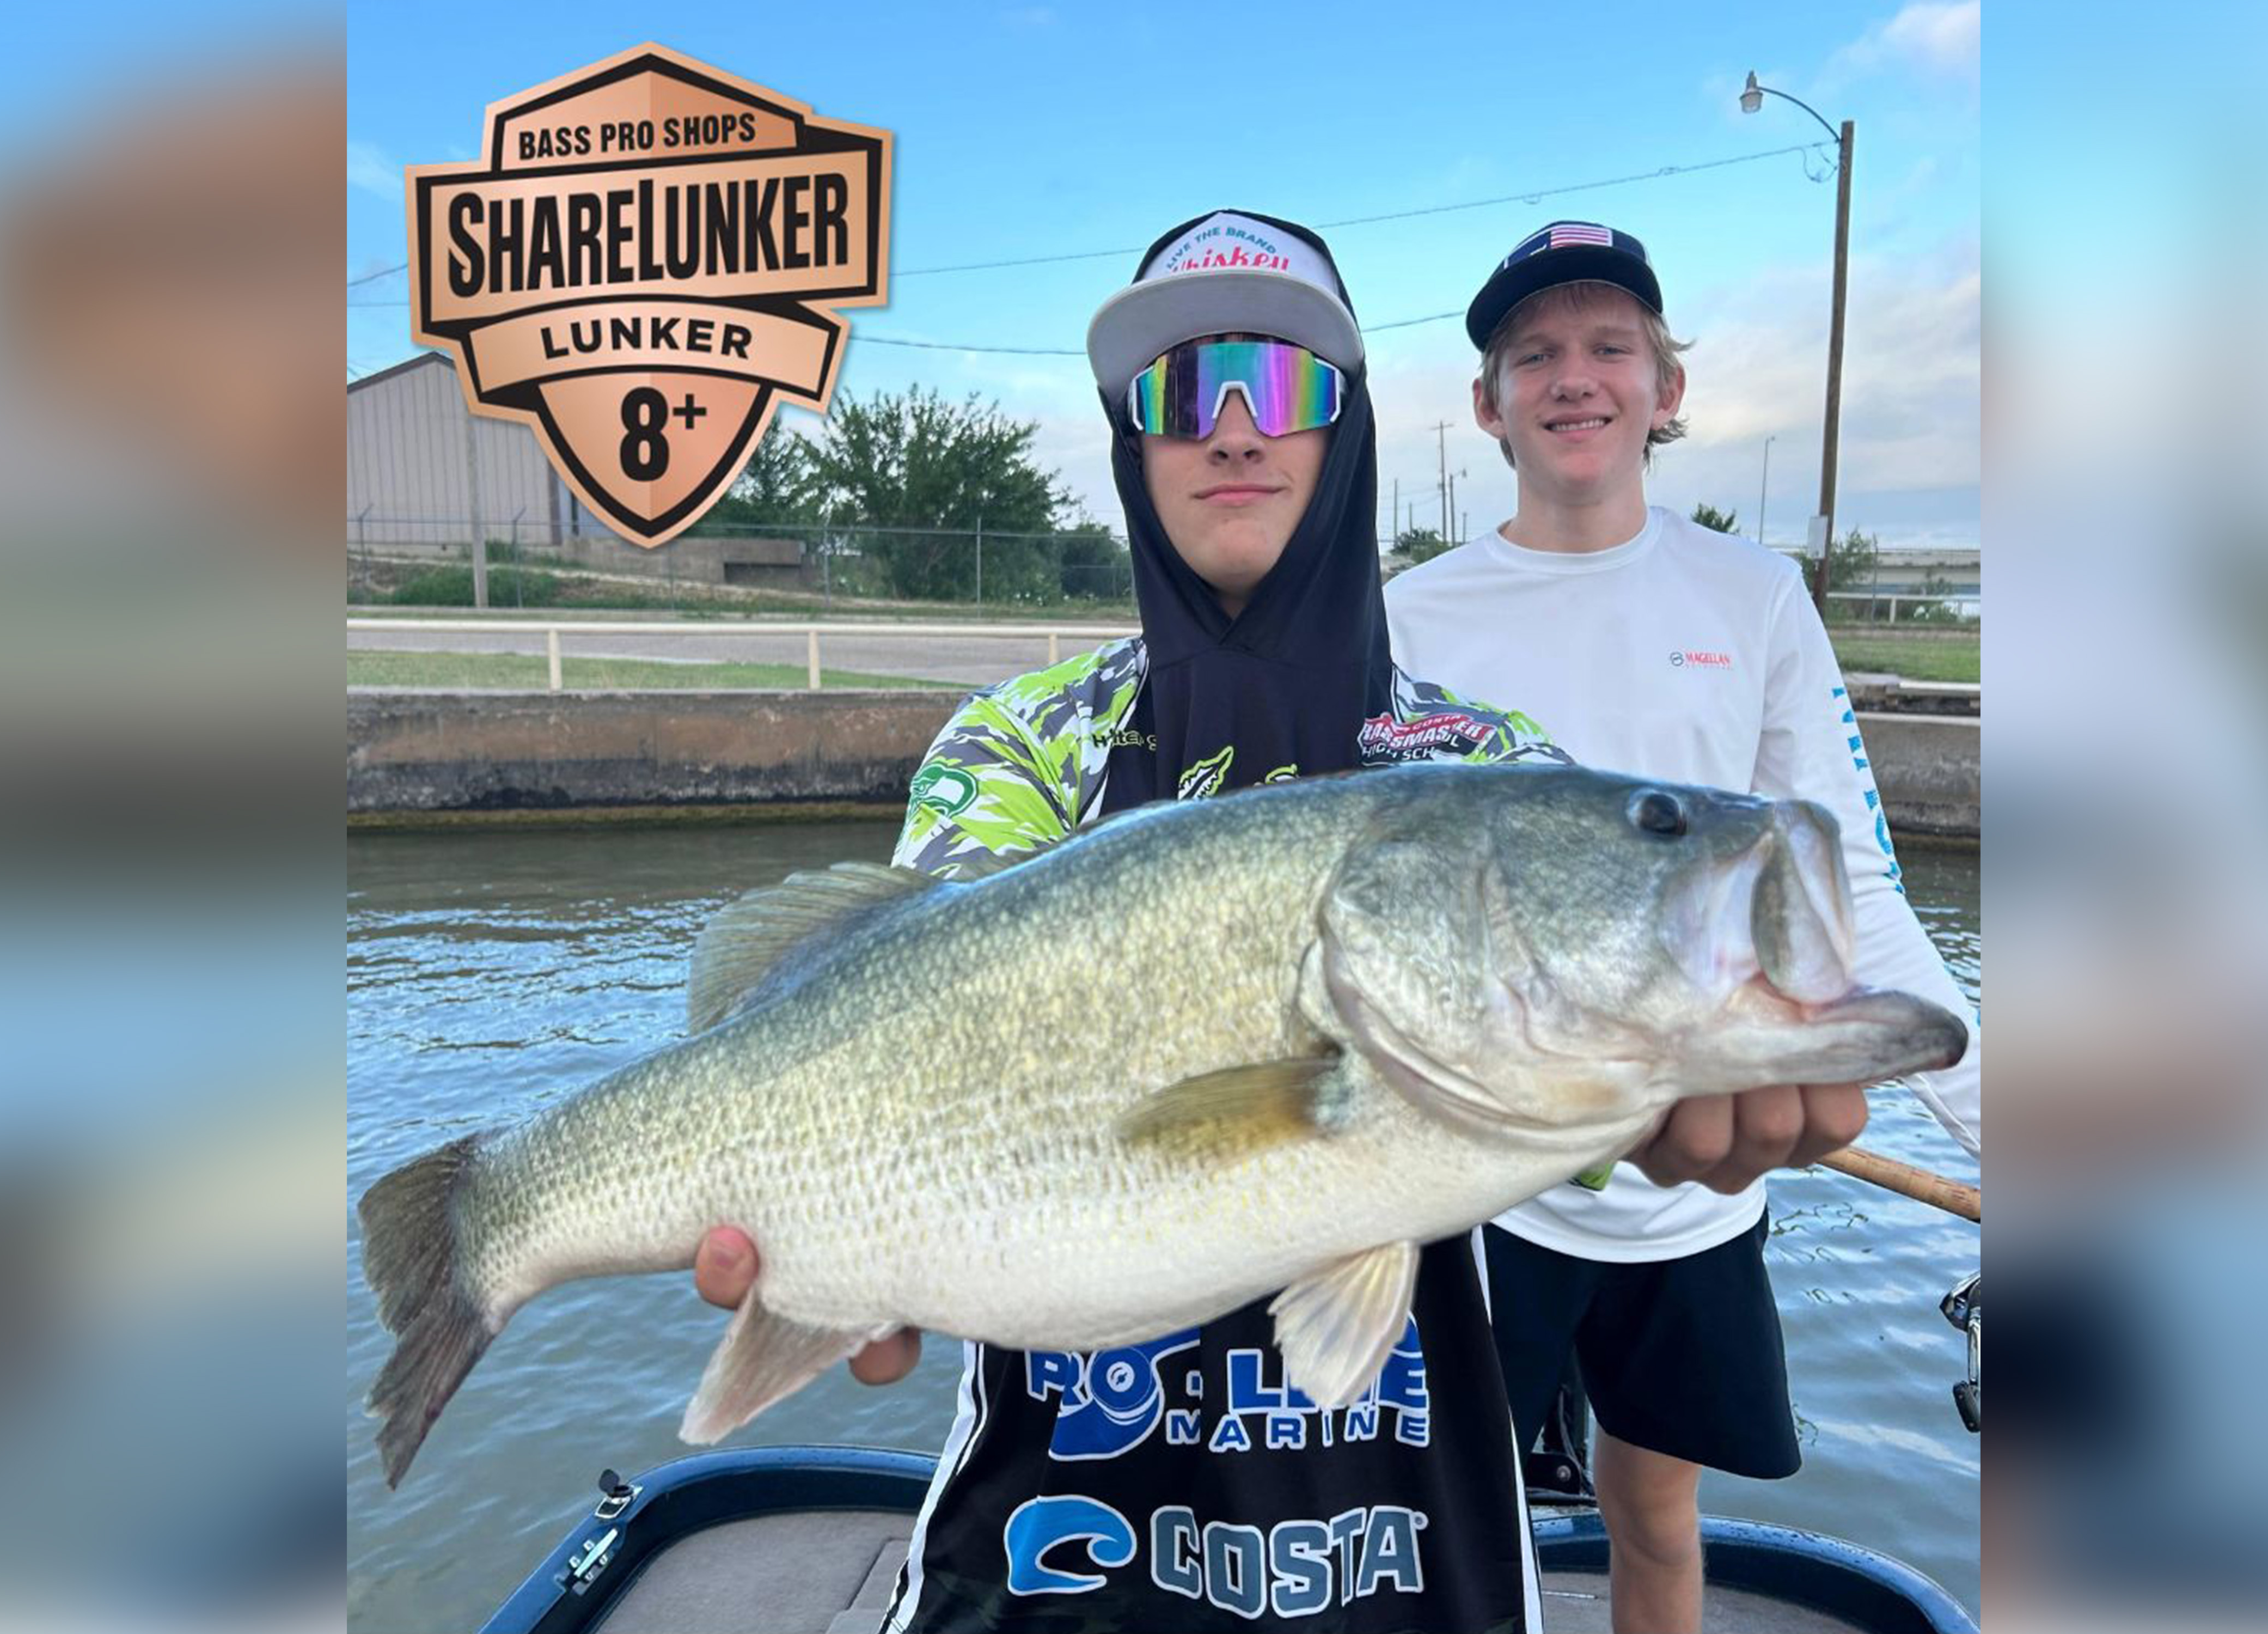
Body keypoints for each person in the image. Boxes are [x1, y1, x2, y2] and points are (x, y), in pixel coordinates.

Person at [691, 208, 1876, 1633]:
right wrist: (831, 1262)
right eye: (1183, 390)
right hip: (1044, 1554)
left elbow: (1569, 1121)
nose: (1237, 429)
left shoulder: (1485, 761)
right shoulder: (1017, 745)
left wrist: (1673, 1103)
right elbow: (887, 1027)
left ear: (1349, 427)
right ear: (1132, 441)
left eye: (1286, 380)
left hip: (1414, 1552)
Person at [1383, 221, 1985, 1634]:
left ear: (1667, 388)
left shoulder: (1755, 595)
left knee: (1657, 1518)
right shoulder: (1406, 613)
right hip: (1479, 1185)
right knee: (1431, 1532)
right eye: (1534, 353)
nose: (1573, 377)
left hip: (1701, 1188)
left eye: (1612, 347)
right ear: (1488, 405)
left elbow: (1851, 885)